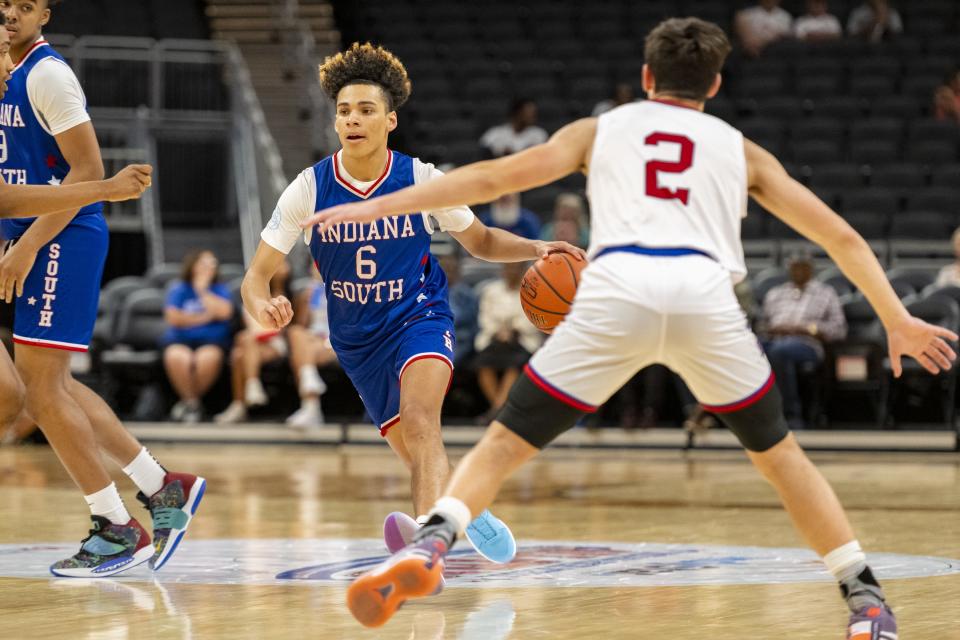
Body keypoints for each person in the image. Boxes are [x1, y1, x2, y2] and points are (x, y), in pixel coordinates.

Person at [305, 19, 957, 637]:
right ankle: (864, 598)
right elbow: (837, 233)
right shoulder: (740, 147)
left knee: (504, 444)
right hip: (705, 299)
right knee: (780, 458)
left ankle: (432, 542)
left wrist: (382, 205)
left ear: (647, 78)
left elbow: (495, 176)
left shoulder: (601, 129)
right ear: (715, 85)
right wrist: (896, 318)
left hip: (617, 296)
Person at [240, 43, 583, 564]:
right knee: (417, 452)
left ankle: (426, 555)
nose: (352, 119)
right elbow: (256, 277)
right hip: (356, 338)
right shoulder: (308, 189)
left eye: (366, 110)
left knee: (421, 422)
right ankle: (458, 509)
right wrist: (262, 304)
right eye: (344, 111)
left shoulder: (422, 179)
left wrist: (538, 247)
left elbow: (483, 242)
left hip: (418, 316)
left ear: (390, 120)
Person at [0, 0, 204, 577]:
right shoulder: (5, 72)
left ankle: (115, 525)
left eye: (23, 5)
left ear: (46, 13)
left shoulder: (47, 74)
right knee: (51, 386)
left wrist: (29, 244)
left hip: (62, 230)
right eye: (3, 3)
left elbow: (87, 173)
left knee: (40, 392)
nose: (9, 14)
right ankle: (161, 489)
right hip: (22, 229)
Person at [760, 254, 847, 429]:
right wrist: (772, 329)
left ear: (810, 269)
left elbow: (839, 329)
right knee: (750, 347)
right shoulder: (775, 293)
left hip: (807, 344)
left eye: (803, 266)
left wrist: (808, 329)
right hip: (774, 339)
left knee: (779, 351)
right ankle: (749, 415)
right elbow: (762, 323)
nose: (798, 270)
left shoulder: (826, 292)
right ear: (789, 269)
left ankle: (790, 415)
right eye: (794, 266)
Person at [215, 259, 293, 424]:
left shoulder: (283, 293)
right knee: (238, 353)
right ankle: (245, 397)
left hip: (275, 344)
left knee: (243, 345)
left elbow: (279, 328)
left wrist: (278, 279)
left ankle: (244, 398)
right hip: (252, 345)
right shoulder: (249, 293)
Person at [161, 249, 234, 422]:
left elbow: (224, 313)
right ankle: (193, 403)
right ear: (192, 266)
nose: (209, 267)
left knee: (207, 359)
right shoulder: (179, 288)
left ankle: (187, 404)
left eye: (213, 263)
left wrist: (202, 291)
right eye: (204, 263)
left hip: (212, 342)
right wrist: (206, 316)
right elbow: (174, 318)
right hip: (180, 340)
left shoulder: (220, 289)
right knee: (177, 357)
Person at [473, 262, 542, 419]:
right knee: (482, 363)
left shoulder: (532, 290)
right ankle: (499, 409)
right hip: (494, 336)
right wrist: (498, 330)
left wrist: (513, 329)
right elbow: (485, 316)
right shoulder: (491, 291)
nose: (512, 272)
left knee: (515, 364)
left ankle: (496, 411)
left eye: (516, 268)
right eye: (508, 268)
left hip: (521, 338)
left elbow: (533, 318)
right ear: (503, 270)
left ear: (523, 271)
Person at [284, 267, 338, 428]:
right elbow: (302, 323)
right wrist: (305, 303)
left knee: (300, 354)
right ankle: (309, 377)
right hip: (314, 339)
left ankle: (311, 408)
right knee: (295, 332)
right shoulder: (312, 290)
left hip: (337, 340)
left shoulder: (346, 287)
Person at [437, 251, 478, 366]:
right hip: (435, 335)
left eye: (451, 269)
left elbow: (471, 322)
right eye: (445, 269)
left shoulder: (466, 294)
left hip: (460, 338)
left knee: (443, 360)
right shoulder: (430, 292)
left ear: (458, 272)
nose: (448, 273)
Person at [479, 98, 548, 158]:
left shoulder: (539, 134)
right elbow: (484, 152)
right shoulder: (495, 133)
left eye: (534, 113)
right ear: (517, 113)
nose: (532, 116)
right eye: (528, 112)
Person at [477, 192, 541, 239]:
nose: (504, 204)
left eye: (507, 200)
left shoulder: (529, 220)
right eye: (502, 200)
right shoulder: (485, 220)